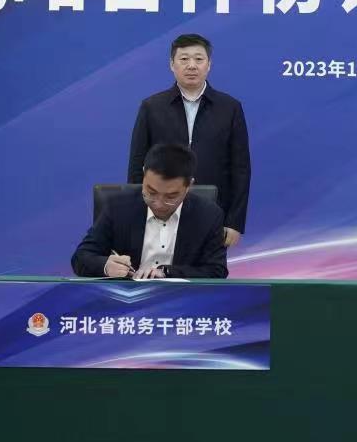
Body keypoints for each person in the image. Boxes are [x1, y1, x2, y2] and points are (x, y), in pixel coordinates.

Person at [129, 34, 251, 248]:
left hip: (213, 213)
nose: (191, 65)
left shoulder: (230, 108)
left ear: (209, 64)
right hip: (160, 211)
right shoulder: (152, 107)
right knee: (161, 267)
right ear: (172, 64)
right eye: (184, 59)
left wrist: (234, 222)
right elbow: (137, 165)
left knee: (208, 269)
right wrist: (138, 214)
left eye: (198, 59)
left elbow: (240, 168)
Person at [73, 143, 229, 279]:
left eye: (171, 196)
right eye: (151, 192)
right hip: (125, 298)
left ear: (189, 186)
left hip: (181, 298)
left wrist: (167, 272)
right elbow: (81, 257)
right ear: (144, 174)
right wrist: (106, 266)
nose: (159, 204)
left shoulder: (208, 215)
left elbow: (217, 270)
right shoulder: (118, 207)